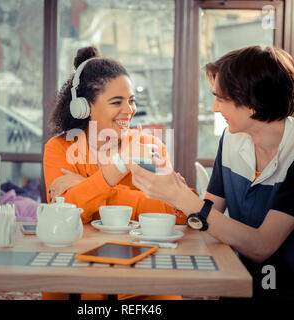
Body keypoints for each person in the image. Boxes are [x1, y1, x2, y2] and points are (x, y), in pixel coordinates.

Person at [130, 45, 294, 300]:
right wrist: (172, 192)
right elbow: (210, 214)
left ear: (252, 103)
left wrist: (185, 200)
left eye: (221, 98)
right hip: (246, 283)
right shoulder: (232, 140)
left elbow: (262, 246)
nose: (214, 108)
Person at [42, 46, 189, 300]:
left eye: (131, 100)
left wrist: (88, 187)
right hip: (79, 271)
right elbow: (64, 208)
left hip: (144, 274)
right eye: (116, 102)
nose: (129, 110)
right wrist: (119, 168)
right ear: (84, 107)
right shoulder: (58, 149)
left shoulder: (150, 146)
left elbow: (170, 212)